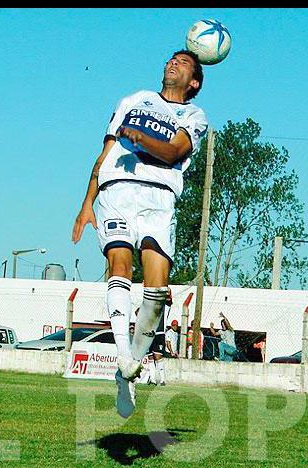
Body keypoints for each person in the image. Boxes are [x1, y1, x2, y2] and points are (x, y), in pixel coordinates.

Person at [71, 49, 208, 419]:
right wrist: (87, 202)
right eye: (171, 59)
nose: (172, 64)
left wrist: (143, 141)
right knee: (119, 260)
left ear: (193, 81)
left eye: (182, 63)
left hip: (159, 197)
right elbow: (105, 153)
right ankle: (123, 354)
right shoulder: (133, 100)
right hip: (117, 188)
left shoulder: (194, 116)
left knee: (158, 289)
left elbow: (174, 151)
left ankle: (126, 372)